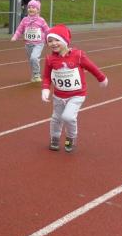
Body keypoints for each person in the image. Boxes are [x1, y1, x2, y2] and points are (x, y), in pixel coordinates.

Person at [41, 24, 108, 153]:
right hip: (58, 96)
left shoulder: (78, 55)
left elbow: (91, 67)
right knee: (56, 118)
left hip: (76, 95)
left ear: (65, 40)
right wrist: (45, 89)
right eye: (50, 41)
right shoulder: (50, 59)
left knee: (68, 117)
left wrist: (101, 78)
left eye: (57, 40)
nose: (53, 43)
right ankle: (55, 138)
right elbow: (47, 77)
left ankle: (70, 138)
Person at [11, 0, 50, 82]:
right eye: (29, 7)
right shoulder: (24, 20)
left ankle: (37, 74)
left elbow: (47, 30)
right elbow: (19, 29)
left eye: (33, 7)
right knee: (31, 61)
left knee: (34, 58)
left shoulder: (41, 20)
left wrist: (49, 40)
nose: (30, 9)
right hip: (28, 44)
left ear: (38, 10)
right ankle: (34, 75)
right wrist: (15, 37)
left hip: (39, 43)